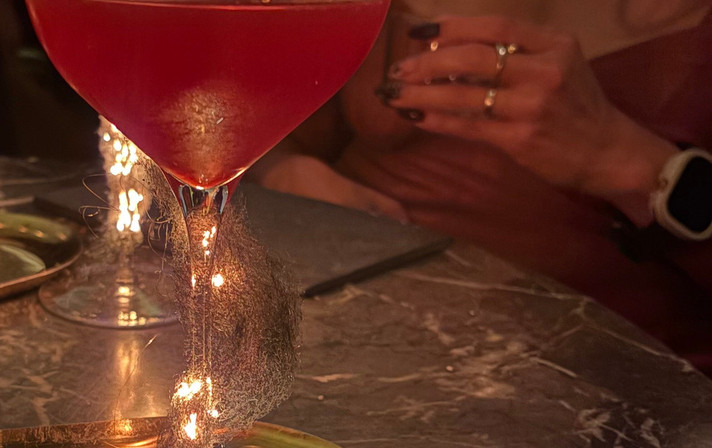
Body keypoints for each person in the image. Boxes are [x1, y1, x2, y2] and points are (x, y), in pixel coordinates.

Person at [256, 0, 712, 372]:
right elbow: (278, 119)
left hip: (582, 380)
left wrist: (629, 160)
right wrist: (283, 168)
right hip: (335, 314)